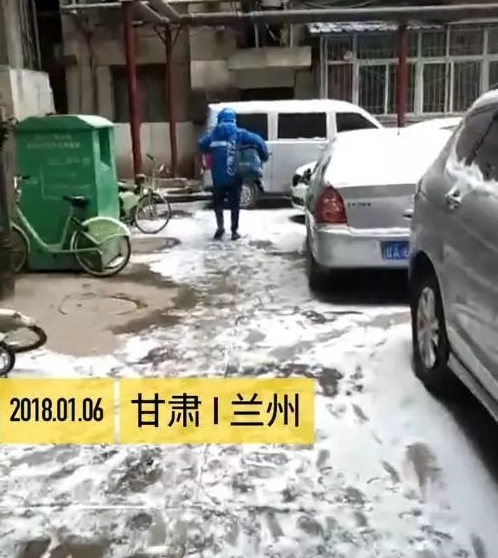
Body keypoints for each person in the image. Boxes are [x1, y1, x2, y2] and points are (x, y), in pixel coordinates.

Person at [198, 108, 269, 240]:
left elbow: (201, 144)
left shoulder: (213, 135)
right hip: (235, 177)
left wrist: (211, 149)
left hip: (218, 178)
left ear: (219, 119)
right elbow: (258, 140)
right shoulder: (240, 133)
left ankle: (220, 227)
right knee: (234, 205)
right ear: (234, 120)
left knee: (218, 203)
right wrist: (264, 156)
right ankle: (234, 231)